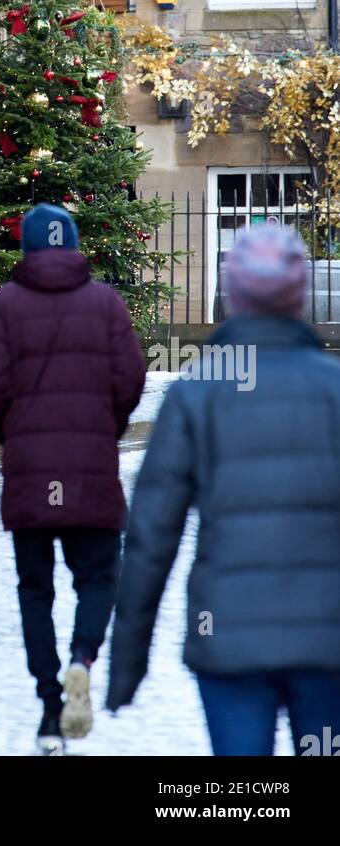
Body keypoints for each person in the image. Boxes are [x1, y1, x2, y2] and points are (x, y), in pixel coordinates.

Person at [107, 225, 340, 757]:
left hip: (229, 635)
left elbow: (151, 535)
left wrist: (127, 661)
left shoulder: (198, 394)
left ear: (231, 295)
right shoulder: (333, 391)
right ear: (300, 295)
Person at [0, 203, 145, 753]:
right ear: (73, 246)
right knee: (98, 576)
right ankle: (82, 657)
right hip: (90, 466)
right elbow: (130, 377)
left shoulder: (5, 308)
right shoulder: (105, 303)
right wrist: (105, 427)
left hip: (30, 470)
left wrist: (13, 431)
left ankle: (50, 705)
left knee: (34, 589)